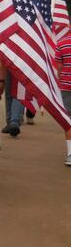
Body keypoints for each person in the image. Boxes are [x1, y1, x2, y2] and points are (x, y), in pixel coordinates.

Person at [54, 29, 71, 166]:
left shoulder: (62, 42)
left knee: (68, 120)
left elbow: (59, 66)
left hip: (66, 86)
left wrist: (61, 78)